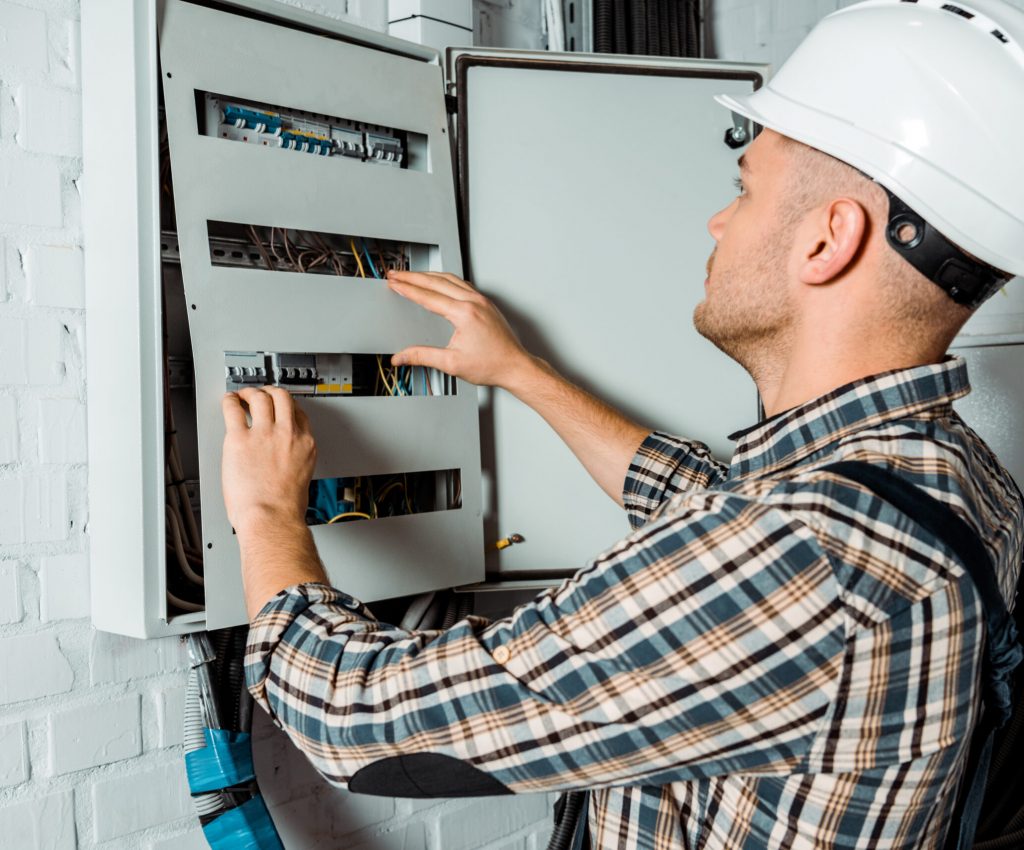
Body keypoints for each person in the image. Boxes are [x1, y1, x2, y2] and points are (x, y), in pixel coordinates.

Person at [221, 1, 1024, 847]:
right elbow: (705, 504)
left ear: (829, 240)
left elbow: (356, 721)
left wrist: (270, 513)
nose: (719, 220)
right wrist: (521, 372)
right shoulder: (949, 477)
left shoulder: (809, 553)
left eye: (744, 189)